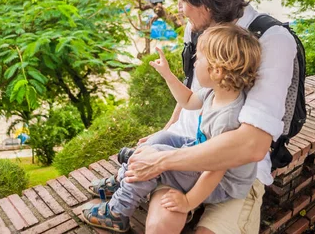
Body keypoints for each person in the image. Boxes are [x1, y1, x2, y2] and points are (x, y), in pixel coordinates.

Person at [89, 0, 298, 233]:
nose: (181, 9)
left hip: (235, 169)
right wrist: (164, 134)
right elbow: (193, 91)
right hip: (185, 147)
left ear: (208, 5)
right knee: (159, 226)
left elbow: (252, 145)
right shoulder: (199, 29)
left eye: (184, 2)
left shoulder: (270, 41)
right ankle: (129, 180)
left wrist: (160, 160)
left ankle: (134, 185)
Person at [81, 24, 262, 233]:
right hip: (200, 152)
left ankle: (117, 212)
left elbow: (215, 170)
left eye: (199, 58)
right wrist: (167, 74)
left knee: (157, 158)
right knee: (162, 138)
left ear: (217, 70)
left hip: (222, 185)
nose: (194, 62)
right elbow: (187, 100)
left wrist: (187, 201)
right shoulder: (215, 93)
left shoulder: (228, 118)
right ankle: (124, 177)